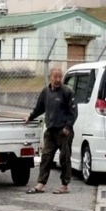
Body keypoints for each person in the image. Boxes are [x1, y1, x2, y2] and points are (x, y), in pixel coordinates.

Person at [25, 66, 78, 194]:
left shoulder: (67, 92)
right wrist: (30, 117)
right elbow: (40, 108)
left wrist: (67, 127)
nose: (58, 79)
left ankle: (64, 185)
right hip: (50, 131)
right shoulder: (46, 92)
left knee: (64, 158)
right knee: (46, 157)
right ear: (50, 77)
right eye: (55, 77)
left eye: (60, 77)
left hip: (63, 131)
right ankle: (41, 183)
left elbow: (73, 112)